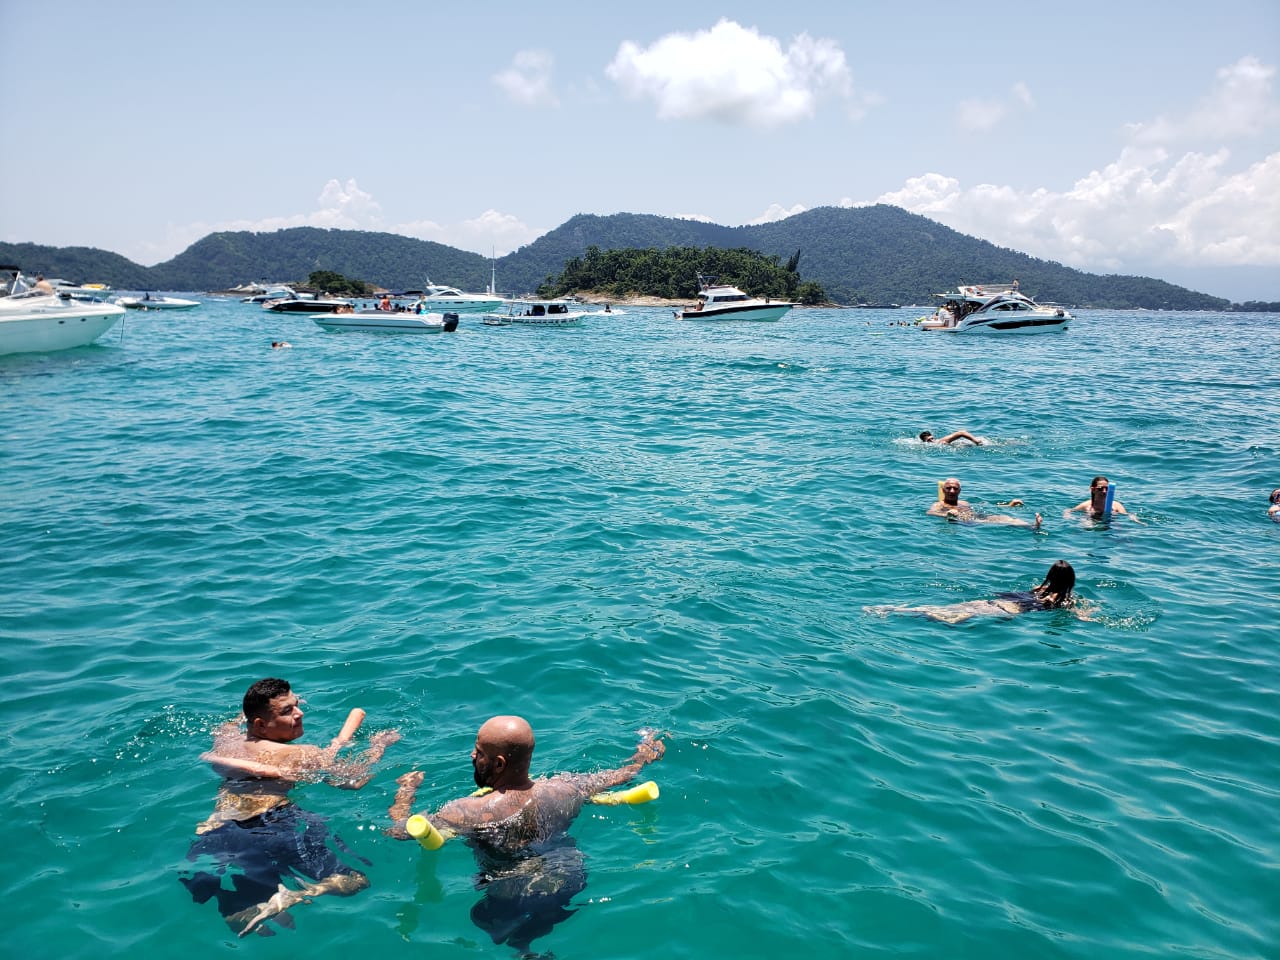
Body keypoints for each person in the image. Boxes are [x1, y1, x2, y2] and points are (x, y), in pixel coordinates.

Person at [388, 716, 665, 954]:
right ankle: (526, 947)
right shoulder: (564, 788)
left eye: (478, 752)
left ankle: (523, 950)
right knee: (533, 924)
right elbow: (621, 775)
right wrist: (645, 754)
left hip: (512, 892)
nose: (472, 756)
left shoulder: (468, 811)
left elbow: (399, 832)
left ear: (498, 764)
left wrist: (405, 792)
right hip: (570, 879)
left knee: (482, 917)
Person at [181, 678, 399, 937]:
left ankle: (240, 907)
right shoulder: (299, 754)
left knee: (254, 876)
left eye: (296, 705)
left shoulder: (226, 742)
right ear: (260, 724)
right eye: (288, 711)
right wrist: (379, 747)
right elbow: (353, 781)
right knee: (355, 881)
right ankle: (294, 895)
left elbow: (226, 725)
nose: (300, 713)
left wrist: (266, 709)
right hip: (272, 826)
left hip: (219, 830)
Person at [865, 560, 1086, 623]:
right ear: (1071, 580)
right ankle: (894, 613)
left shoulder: (1037, 589)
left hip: (989, 602)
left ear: (1050, 575)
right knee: (952, 620)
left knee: (947, 610)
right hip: (1003, 611)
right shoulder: (1062, 600)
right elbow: (1081, 616)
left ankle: (891, 609)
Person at [928, 477, 1041, 528]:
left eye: (955, 488)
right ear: (943, 490)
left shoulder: (964, 503)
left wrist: (1009, 505)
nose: (952, 491)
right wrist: (946, 514)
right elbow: (930, 513)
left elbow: (986, 506)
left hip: (976, 517)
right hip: (963, 523)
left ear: (960, 491)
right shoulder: (939, 504)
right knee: (999, 524)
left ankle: (1033, 526)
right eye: (948, 488)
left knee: (1005, 518)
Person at [1066, 475, 1136, 521]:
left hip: (1111, 524)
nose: (1104, 491)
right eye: (1101, 488)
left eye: (1107, 488)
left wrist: (1134, 518)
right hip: (1092, 522)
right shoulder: (1087, 505)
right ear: (1093, 489)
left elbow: (1127, 515)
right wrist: (1068, 517)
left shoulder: (1116, 505)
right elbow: (1068, 511)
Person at [919, 429, 983, 446]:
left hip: (975, 445)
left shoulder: (940, 441)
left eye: (932, 438)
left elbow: (962, 432)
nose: (932, 441)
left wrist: (975, 441)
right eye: (929, 440)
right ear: (924, 442)